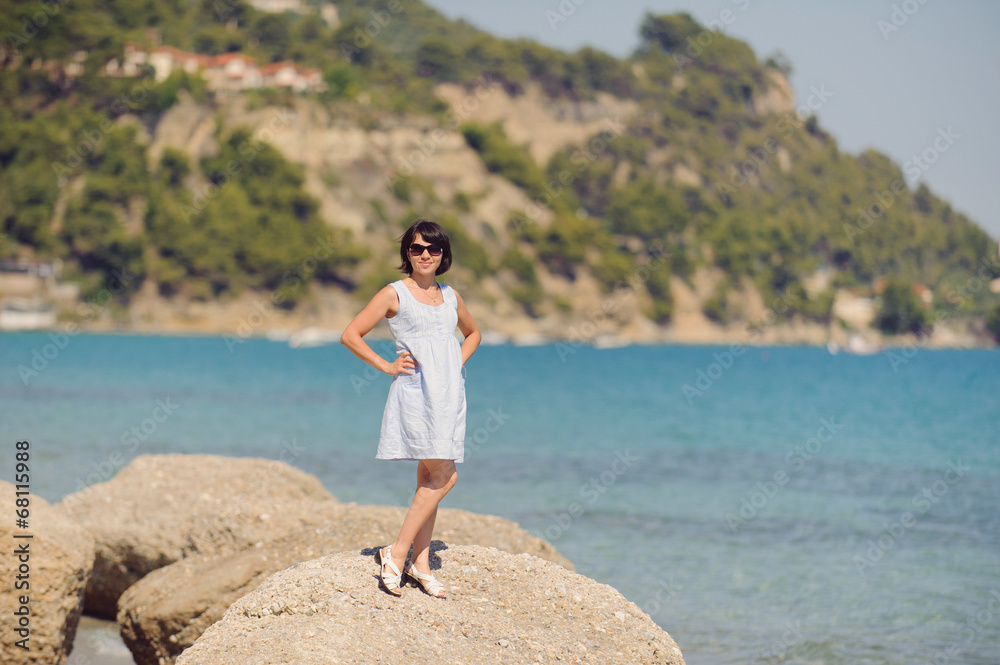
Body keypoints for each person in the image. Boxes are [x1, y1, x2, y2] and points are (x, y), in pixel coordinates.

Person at [340, 219, 482, 598]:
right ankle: (396, 552)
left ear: (443, 255)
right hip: (416, 394)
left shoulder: (451, 295)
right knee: (446, 477)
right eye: (417, 248)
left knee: (429, 477)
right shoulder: (393, 294)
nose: (425, 254)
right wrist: (386, 366)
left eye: (433, 249)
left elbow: (474, 333)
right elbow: (350, 334)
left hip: (450, 394)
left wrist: (457, 361)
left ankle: (421, 565)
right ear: (407, 252)